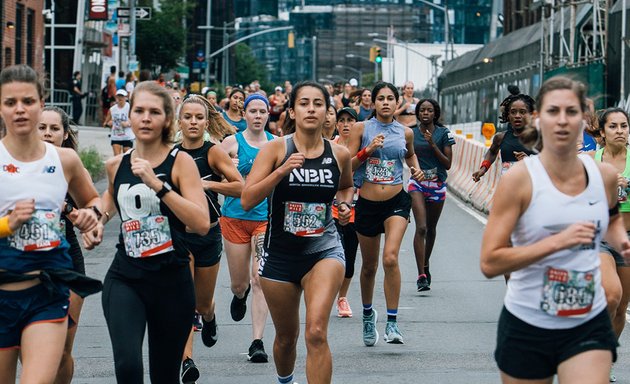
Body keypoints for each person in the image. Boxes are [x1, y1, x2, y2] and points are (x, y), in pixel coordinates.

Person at [480, 76, 627, 383]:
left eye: (571, 112)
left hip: (586, 321)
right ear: (539, 118)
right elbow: (490, 262)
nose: (562, 120)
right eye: (553, 111)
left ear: (585, 121)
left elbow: (612, 220)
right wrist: (557, 242)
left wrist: (621, 241)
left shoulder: (604, 176)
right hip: (529, 322)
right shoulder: (519, 179)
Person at [241, 81, 354, 384]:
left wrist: (344, 208)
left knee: (316, 332)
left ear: (327, 111)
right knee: (286, 339)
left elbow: (345, 188)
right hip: (279, 256)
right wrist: (281, 171)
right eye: (304, 103)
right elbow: (247, 198)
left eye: (318, 103)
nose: (311, 109)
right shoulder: (276, 149)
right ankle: (285, 380)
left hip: (324, 250)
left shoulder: (339, 154)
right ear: (292, 110)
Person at [99, 81, 210, 383]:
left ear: (166, 120)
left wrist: (158, 185)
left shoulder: (181, 162)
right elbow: (107, 201)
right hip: (126, 278)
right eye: (139, 111)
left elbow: (200, 223)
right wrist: (95, 220)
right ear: (130, 116)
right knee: (128, 367)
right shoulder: (115, 165)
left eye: (154, 112)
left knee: (164, 376)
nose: (146, 118)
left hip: (171, 281)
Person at [0, 64, 103, 384]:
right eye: (10, 102)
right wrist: (7, 224)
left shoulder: (64, 160)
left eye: (28, 101)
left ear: (41, 103)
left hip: (48, 291)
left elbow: (93, 202)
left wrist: (91, 217)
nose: (20, 110)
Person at [348, 82, 424, 346]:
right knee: (369, 267)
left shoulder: (405, 132)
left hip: (396, 201)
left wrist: (415, 169)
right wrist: (366, 151)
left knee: (390, 258)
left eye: (390, 98)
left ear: (397, 102)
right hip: (367, 204)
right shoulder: (362, 129)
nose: (385, 103)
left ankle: (392, 323)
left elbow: (411, 156)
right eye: (380, 98)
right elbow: (347, 165)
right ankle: (368, 315)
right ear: (374, 103)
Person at [175, 95, 244, 383]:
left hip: (208, 235)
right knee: (183, 301)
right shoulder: (171, 153)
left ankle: (210, 315)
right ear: (179, 121)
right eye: (187, 117)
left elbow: (240, 186)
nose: (193, 122)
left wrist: (206, 183)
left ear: (206, 122)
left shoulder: (212, 152)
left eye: (198, 117)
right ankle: (186, 361)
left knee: (202, 303)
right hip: (178, 236)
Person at [220, 94, 276, 363]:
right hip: (234, 218)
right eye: (252, 111)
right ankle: (238, 296)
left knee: (259, 279)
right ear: (244, 115)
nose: (257, 115)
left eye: (262, 111)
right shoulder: (231, 142)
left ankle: (257, 341)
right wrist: (226, 171)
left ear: (268, 115)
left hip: (264, 219)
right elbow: (212, 173)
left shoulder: (276, 145)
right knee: (240, 283)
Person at [38, 106, 89, 384]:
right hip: (24, 264)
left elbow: (92, 210)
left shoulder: (71, 165)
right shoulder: (12, 165)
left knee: (61, 350)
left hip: (67, 261)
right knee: (26, 346)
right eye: (41, 127)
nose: (47, 134)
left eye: (54, 128)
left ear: (64, 133)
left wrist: (69, 209)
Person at [591, 107, 630, 382]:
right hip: (601, 239)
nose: (620, 131)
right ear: (602, 133)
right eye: (613, 127)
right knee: (611, 295)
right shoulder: (591, 161)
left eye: (624, 126)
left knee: (621, 306)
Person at [410, 99, 455, 291]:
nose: (425, 113)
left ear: (435, 113)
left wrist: (433, 144)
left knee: (431, 228)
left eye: (429, 110)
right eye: (422, 110)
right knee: (421, 228)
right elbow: (406, 155)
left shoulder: (443, 133)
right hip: (417, 184)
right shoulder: (411, 133)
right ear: (418, 113)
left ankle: (426, 264)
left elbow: (448, 164)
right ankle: (421, 275)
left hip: (437, 185)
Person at [472, 85, 536, 181]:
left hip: (530, 190)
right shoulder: (500, 137)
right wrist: (483, 169)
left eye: (522, 112)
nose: (517, 116)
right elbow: (492, 152)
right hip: (507, 190)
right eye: (513, 112)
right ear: (507, 115)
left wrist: (529, 162)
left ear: (531, 115)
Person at [332, 107, 360, 318]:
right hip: (331, 210)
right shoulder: (330, 147)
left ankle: (342, 297)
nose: (346, 124)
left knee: (349, 259)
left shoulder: (365, 146)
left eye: (350, 120)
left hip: (357, 209)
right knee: (333, 257)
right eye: (341, 120)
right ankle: (328, 294)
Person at [103, 89, 133, 155]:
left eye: (122, 96)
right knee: (117, 158)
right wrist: (109, 123)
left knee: (127, 157)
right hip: (116, 136)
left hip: (127, 136)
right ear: (116, 97)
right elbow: (105, 123)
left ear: (126, 97)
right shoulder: (112, 109)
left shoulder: (129, 107)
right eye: (118, 96)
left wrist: (128, 123)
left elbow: (134, 120)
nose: (120, 98)